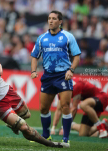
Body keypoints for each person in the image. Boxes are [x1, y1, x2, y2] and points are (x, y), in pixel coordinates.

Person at [30, 10, 81, 147]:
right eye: (49, 18)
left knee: (65, 106)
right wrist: (34, 70)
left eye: (54, 18)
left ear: (60, 21)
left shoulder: (68, 36)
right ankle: (46, 136)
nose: (51, 21)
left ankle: (66, 139)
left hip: (63, 75)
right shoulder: (42, 38)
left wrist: (71, 70)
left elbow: (76, 56)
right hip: (47, 76)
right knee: (43, 108)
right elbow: (34, 56)